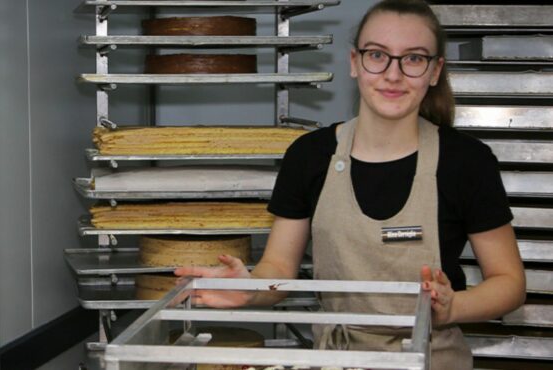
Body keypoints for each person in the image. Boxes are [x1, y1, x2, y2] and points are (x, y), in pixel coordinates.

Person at [175, 0, 526, 369]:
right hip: (338, 359)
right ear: (354, 62)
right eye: (378, 55)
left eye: (414, 58)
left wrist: (454, 305)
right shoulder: (310, 156)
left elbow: (509, 282)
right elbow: (278, 268)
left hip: (431, 357)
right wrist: (248, 290)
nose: (393, 75)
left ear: (435, 71)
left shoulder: (465, 162)